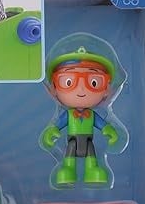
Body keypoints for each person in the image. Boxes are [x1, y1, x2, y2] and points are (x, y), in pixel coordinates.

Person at [42, 46, 119, 185]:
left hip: (88, 141)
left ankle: (92, 170)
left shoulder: (92, 115)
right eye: (69, 82)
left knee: (91, 152)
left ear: (107, 88)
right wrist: (51, 132)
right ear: (54, 87)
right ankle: (68, 170)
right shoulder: (68, 115)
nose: (82, 89)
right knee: (70, 152)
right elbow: (57, 125)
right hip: (72, 140)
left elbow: (102, 124)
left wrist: (109, 130)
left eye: (93, 82)